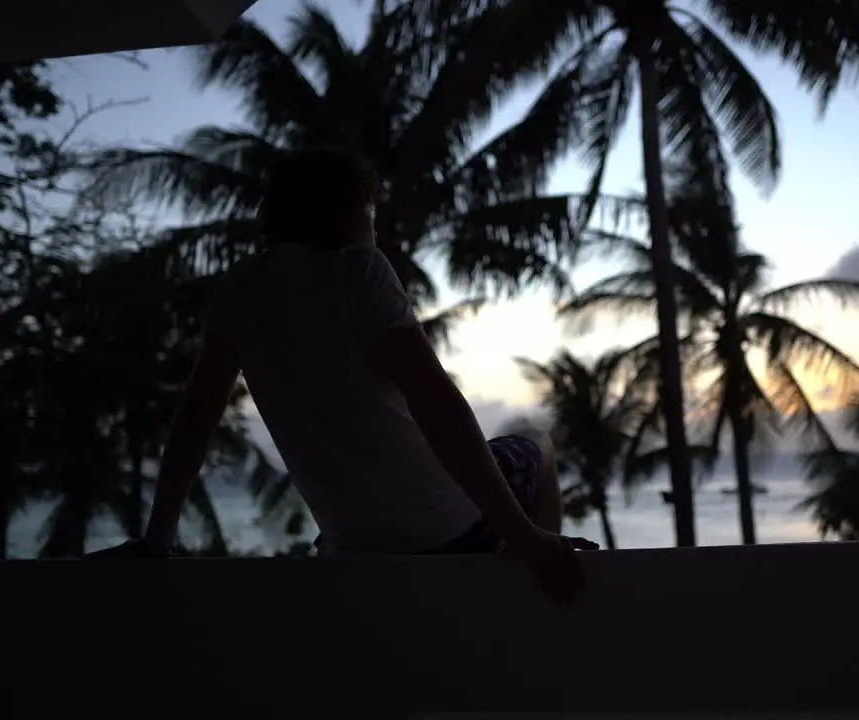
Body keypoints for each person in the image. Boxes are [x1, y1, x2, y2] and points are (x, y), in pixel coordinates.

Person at [105, 147, 597, 605]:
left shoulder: (237, 290)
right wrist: (520, 530)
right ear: (347, 212)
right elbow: (436, 404)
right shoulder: (358, 271)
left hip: (353, 547)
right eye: (369, 213)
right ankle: (538, 571)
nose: (374, 228)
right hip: (451, 533)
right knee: (537, 443)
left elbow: (195, 420)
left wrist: (157, 539)